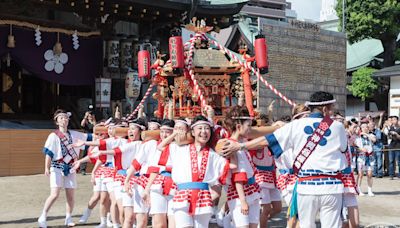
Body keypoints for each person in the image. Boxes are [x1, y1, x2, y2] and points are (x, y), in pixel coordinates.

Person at [220, 91, 348, 228]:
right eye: (332, 108)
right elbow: (343, 149)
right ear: (324, 109)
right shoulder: (338, 126)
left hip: (307, 187)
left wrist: (241, 146)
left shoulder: (295, 126)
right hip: (332, 186)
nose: (333, 112)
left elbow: (266, 141)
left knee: (305, 225)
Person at [168, 115, 230, 228]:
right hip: (182, 196)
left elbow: (218, 184)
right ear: (192, 131)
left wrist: (208, 198)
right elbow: (161, 146)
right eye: (200, 128)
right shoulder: (179, 149)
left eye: (206, 129)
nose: (203, 132)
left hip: (203, 198)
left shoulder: (214, 156)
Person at [38, 109, 92, 227]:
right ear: (57, 121)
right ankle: (43, 216)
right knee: (55, 194)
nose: (64, 120)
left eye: (66, 118)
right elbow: (49, 153)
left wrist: (98, 126)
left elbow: (90, 137)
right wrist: (46, 167)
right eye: (61, 118)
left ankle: (68, 217)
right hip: (56, 167)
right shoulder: (53, 136)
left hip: (71, 168)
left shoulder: (75, 134)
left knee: (70, 195)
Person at [222, 106, 261, 228]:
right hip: (239, 194)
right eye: (248, 126)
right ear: (238, 127)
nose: (250, 129)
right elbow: (237, 176)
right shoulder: (230, 145)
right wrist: (243, 201)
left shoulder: (241, 143)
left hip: (251, 189)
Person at [354, 123, 376, 196]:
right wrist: (361, 149)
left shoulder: (371, 135)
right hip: (361, 157)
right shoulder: (357, 137)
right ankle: (358, 190)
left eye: (366, 127)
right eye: (363, 127)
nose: (365, 128)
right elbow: (355, 145)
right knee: (360, 175)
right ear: (360, 128)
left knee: (369, 174)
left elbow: (374, 140)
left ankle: (370, 190)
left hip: (370, 158)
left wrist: (366, 134)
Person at [80, 110, 96, 175]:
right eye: (89, 116)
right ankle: (82, 170)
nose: (90, 117)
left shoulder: (94, 122)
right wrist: (85, 116)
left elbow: (95, 127)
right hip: (86, 138)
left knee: (95, 153)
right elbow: (82, 124)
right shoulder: (86, 122)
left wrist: (94, 120)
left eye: (91, 116)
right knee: (85, 154)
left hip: (93, 139)